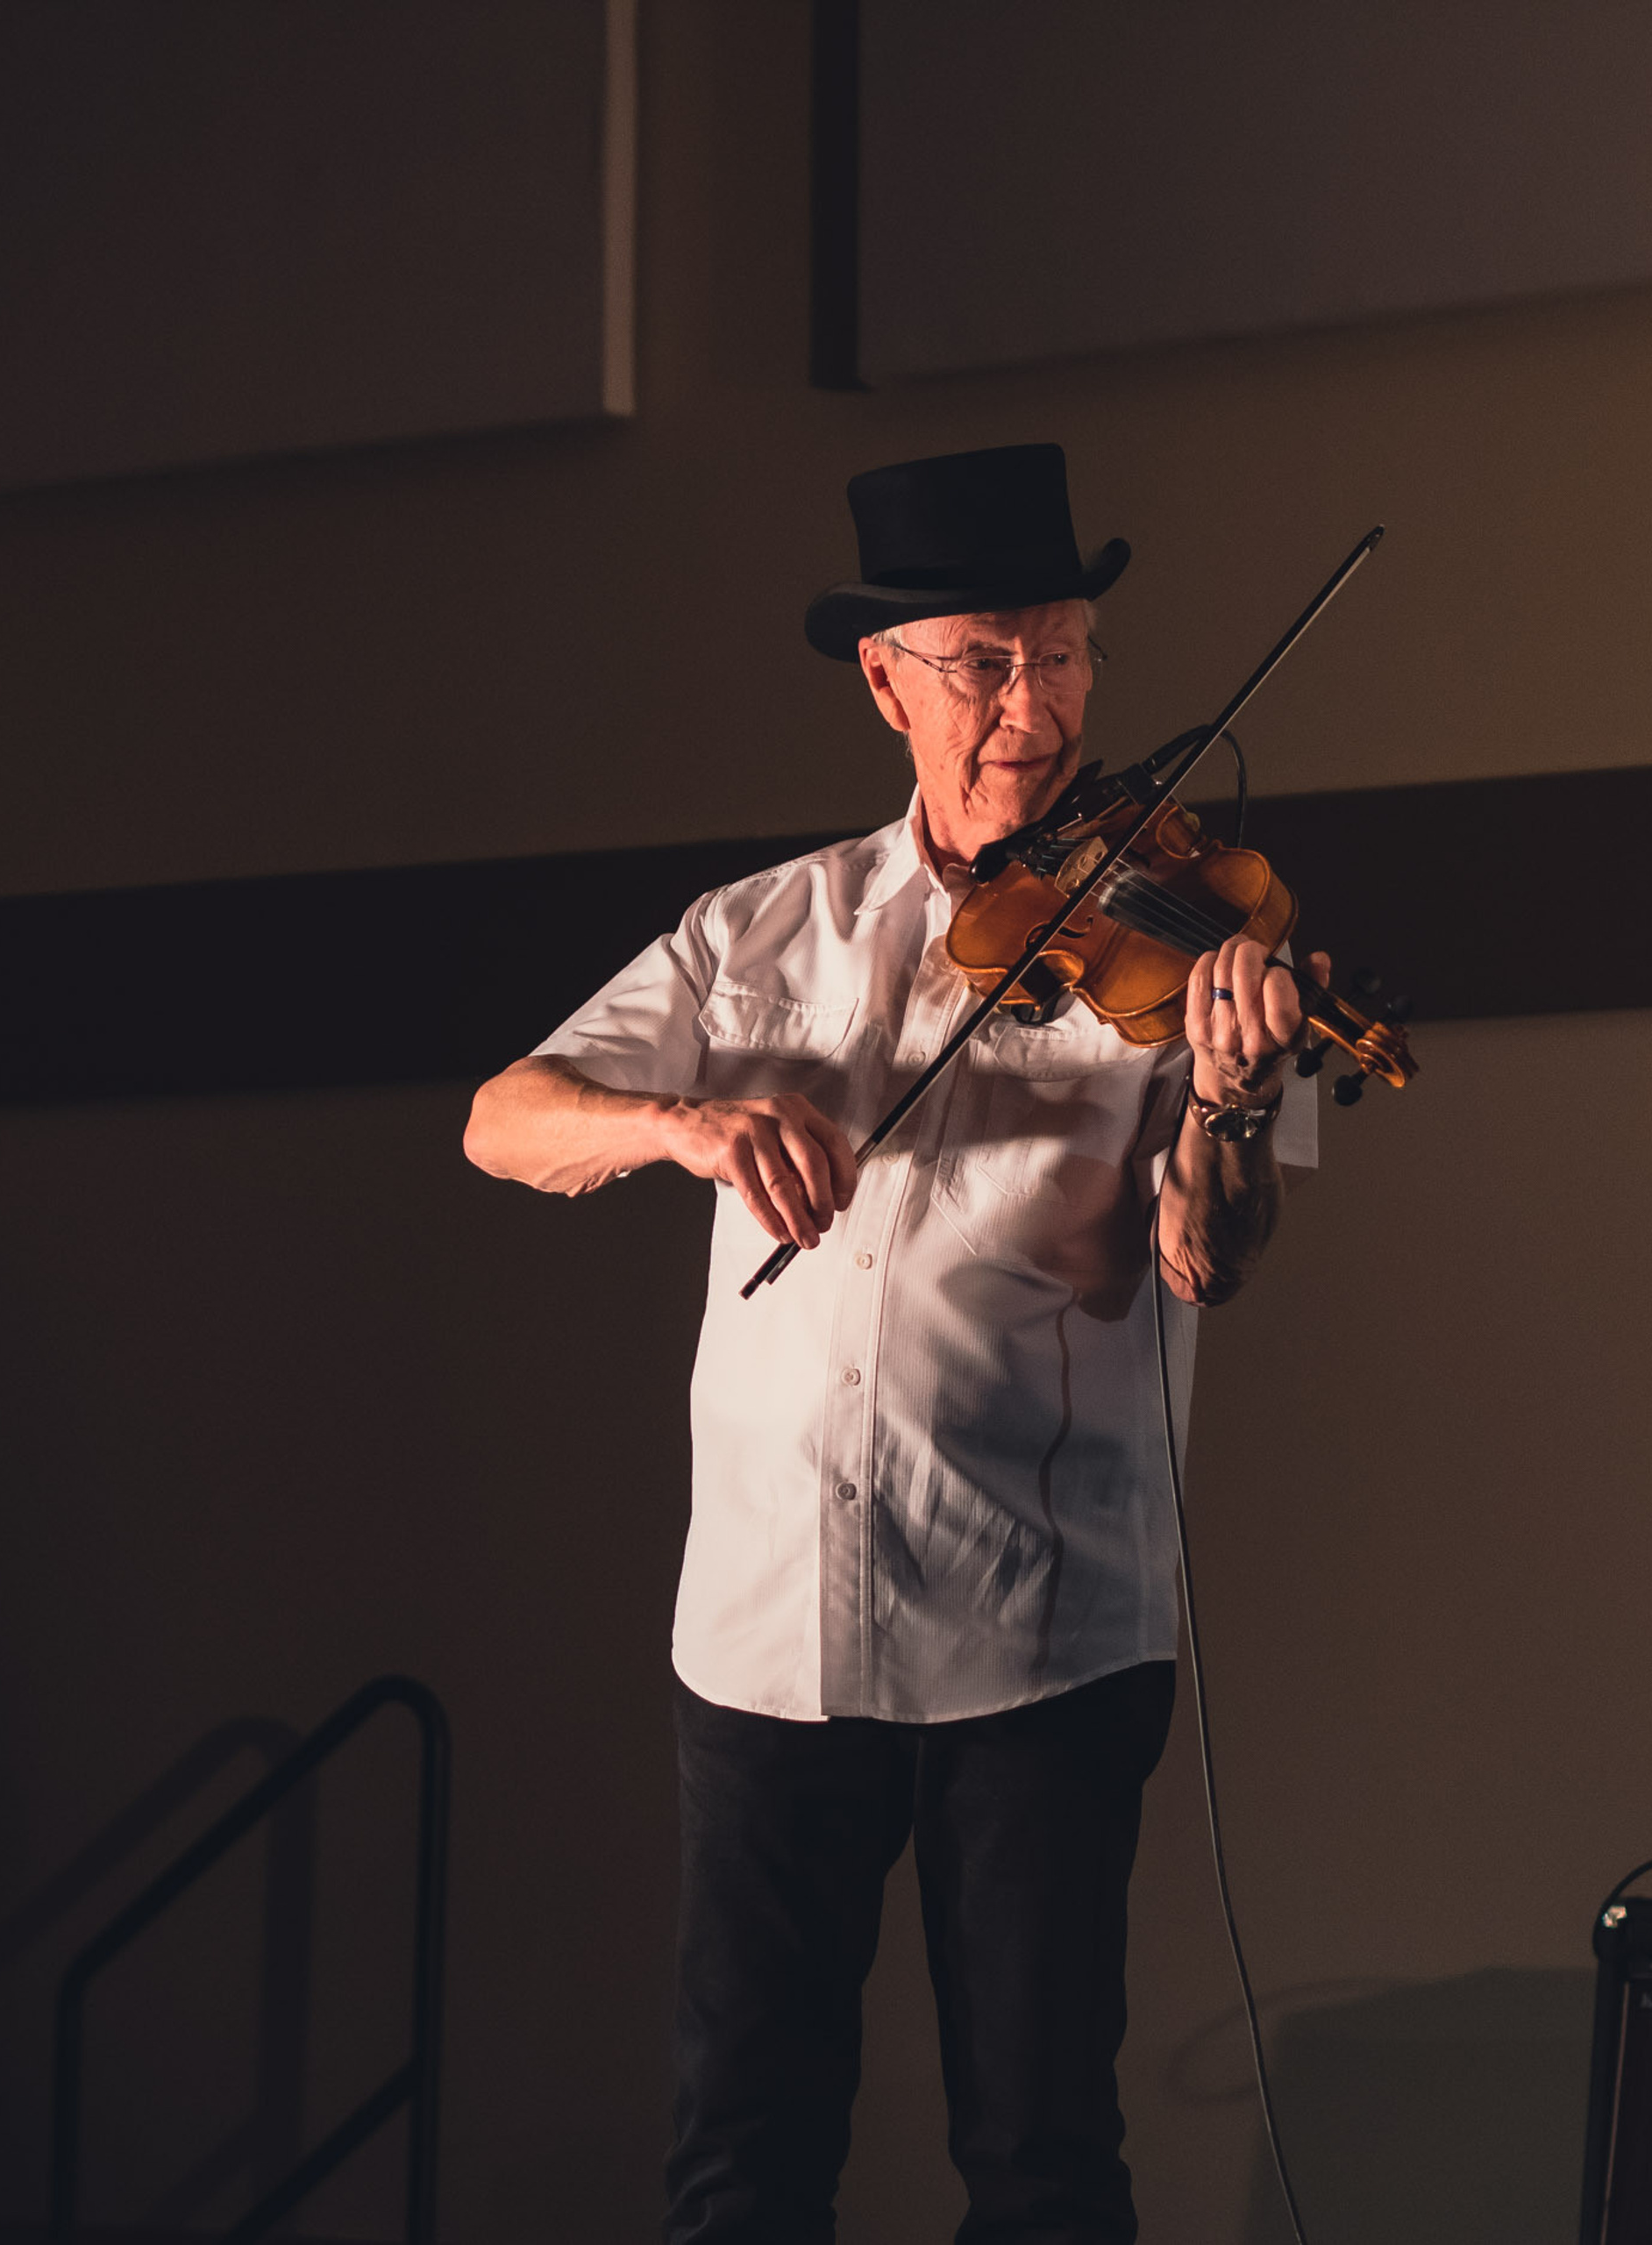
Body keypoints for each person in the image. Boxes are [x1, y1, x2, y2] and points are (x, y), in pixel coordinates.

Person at [463, 445, 1323, 2245]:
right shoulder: (755, 929)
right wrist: (684, 1125)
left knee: (1035, 2158)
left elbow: (1201, 1256)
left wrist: (1230, 1111)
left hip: (1040, 1633)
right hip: (767, 1631)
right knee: (741, 2155)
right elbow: (503, 1117)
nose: (1039, 706)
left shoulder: (1191, 926)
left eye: (1066, 656)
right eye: (986, 663)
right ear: (884, 679)